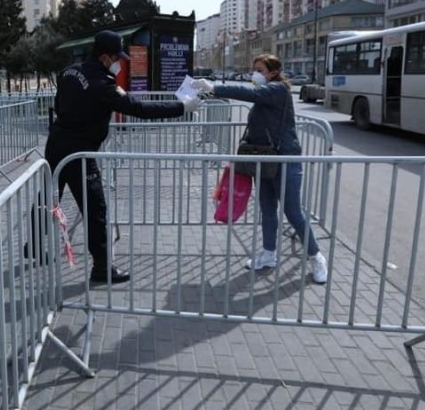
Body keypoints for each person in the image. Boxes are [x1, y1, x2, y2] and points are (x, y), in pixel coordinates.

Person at [36, 30, 201, 284]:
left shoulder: (69, 72)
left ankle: (33, 246)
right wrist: (182, 107)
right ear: (105, 58)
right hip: (79, 152)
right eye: (117, 58)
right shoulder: (102, 84)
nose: (119, 63)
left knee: (48, 197)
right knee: (95, 209)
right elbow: (139, 109)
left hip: (56, 143)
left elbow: (60, 106)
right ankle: (102, 269)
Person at [192, 54, 328, 284]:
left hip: (285, 158)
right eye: (254, 69)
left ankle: (316, 256)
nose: (255, 74)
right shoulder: (268, 91)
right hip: (264, 159)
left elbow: (252, 93)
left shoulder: (278, 90)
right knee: (267, 209)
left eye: (260, 70)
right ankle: (269, 254)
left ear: (274, 72)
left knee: (293, 212)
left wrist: (215, 87)